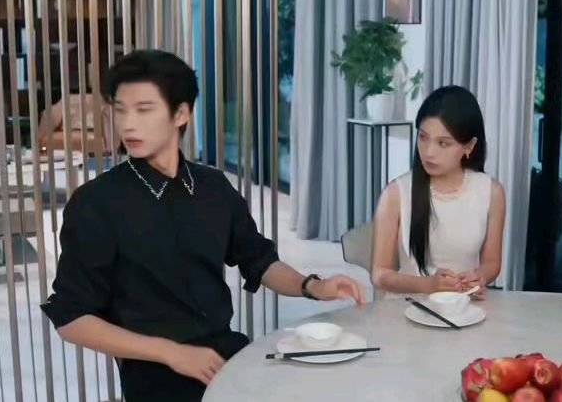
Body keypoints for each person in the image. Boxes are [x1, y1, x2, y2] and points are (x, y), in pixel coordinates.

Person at [40, 50, 365, 402]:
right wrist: (171, 352)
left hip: (228, 357)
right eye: (121, 110)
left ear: (181, 113)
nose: (128, 124)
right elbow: (71, 318)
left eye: (144, 110)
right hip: (155, 377)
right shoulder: (96, 203)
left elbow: (258, 260)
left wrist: (312, 286)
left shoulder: (214, 187)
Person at [370, 85, 506, 298]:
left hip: (463, 305)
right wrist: (427, 285)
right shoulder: (395, 194)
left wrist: (479, 277)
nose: (429, 152)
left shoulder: (492, 193)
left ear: (469, 146)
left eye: (443, 143)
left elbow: (492, 263)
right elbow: (379, 275)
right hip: (408, 307)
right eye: (423, 138)